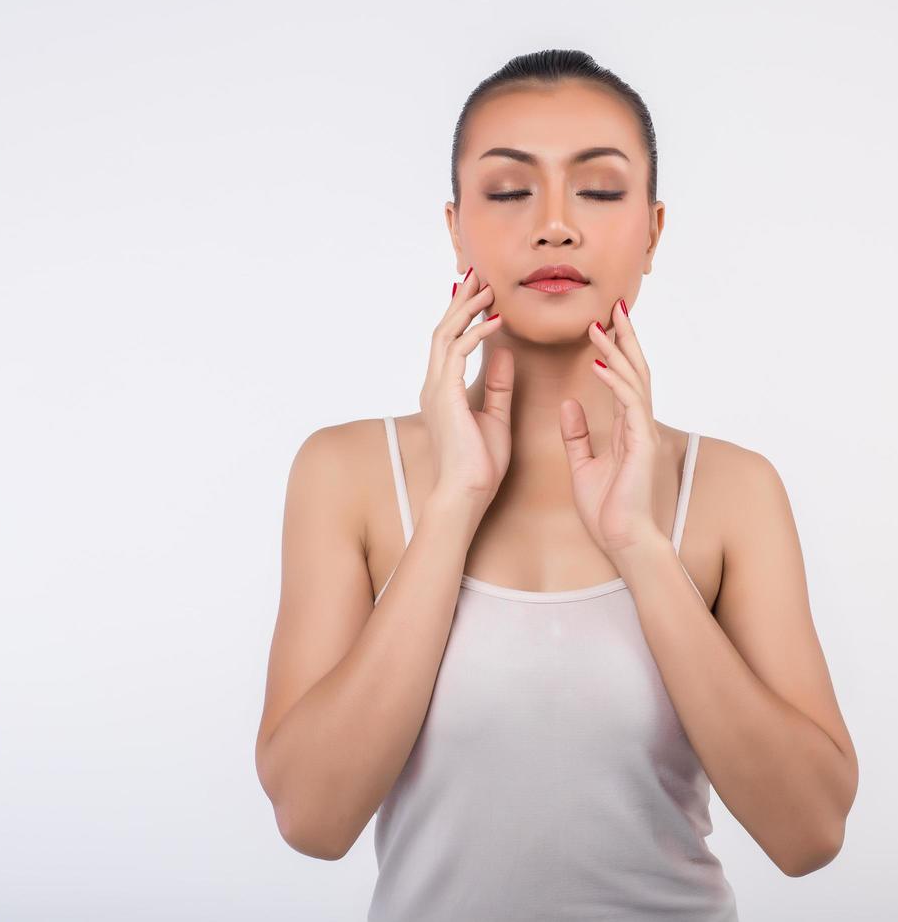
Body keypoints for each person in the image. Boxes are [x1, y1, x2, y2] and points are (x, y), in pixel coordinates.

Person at [254, 49, 858, 920]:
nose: (554, 227)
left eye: (599, 191)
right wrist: (453, 506)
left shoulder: (731, 491)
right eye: (508, 193)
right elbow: (312, 817)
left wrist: (640, 549)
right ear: (457, 227)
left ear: (651, 232)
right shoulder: (345, 474)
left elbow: (809, 835)